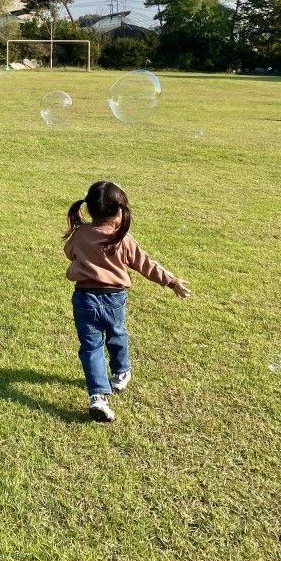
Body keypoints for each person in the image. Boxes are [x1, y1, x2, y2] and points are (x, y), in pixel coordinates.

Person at [64, 180, 190, 422]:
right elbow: (146, 265)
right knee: (117, 335)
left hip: (84, 300)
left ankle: (98, 397)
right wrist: (171, 282)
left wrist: (80, 260)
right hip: (113, 299)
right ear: (119, 212)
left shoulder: (80, 234)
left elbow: (70, 253)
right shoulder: (122, 239)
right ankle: (121, 372)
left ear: (89, 209)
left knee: (91, 347)